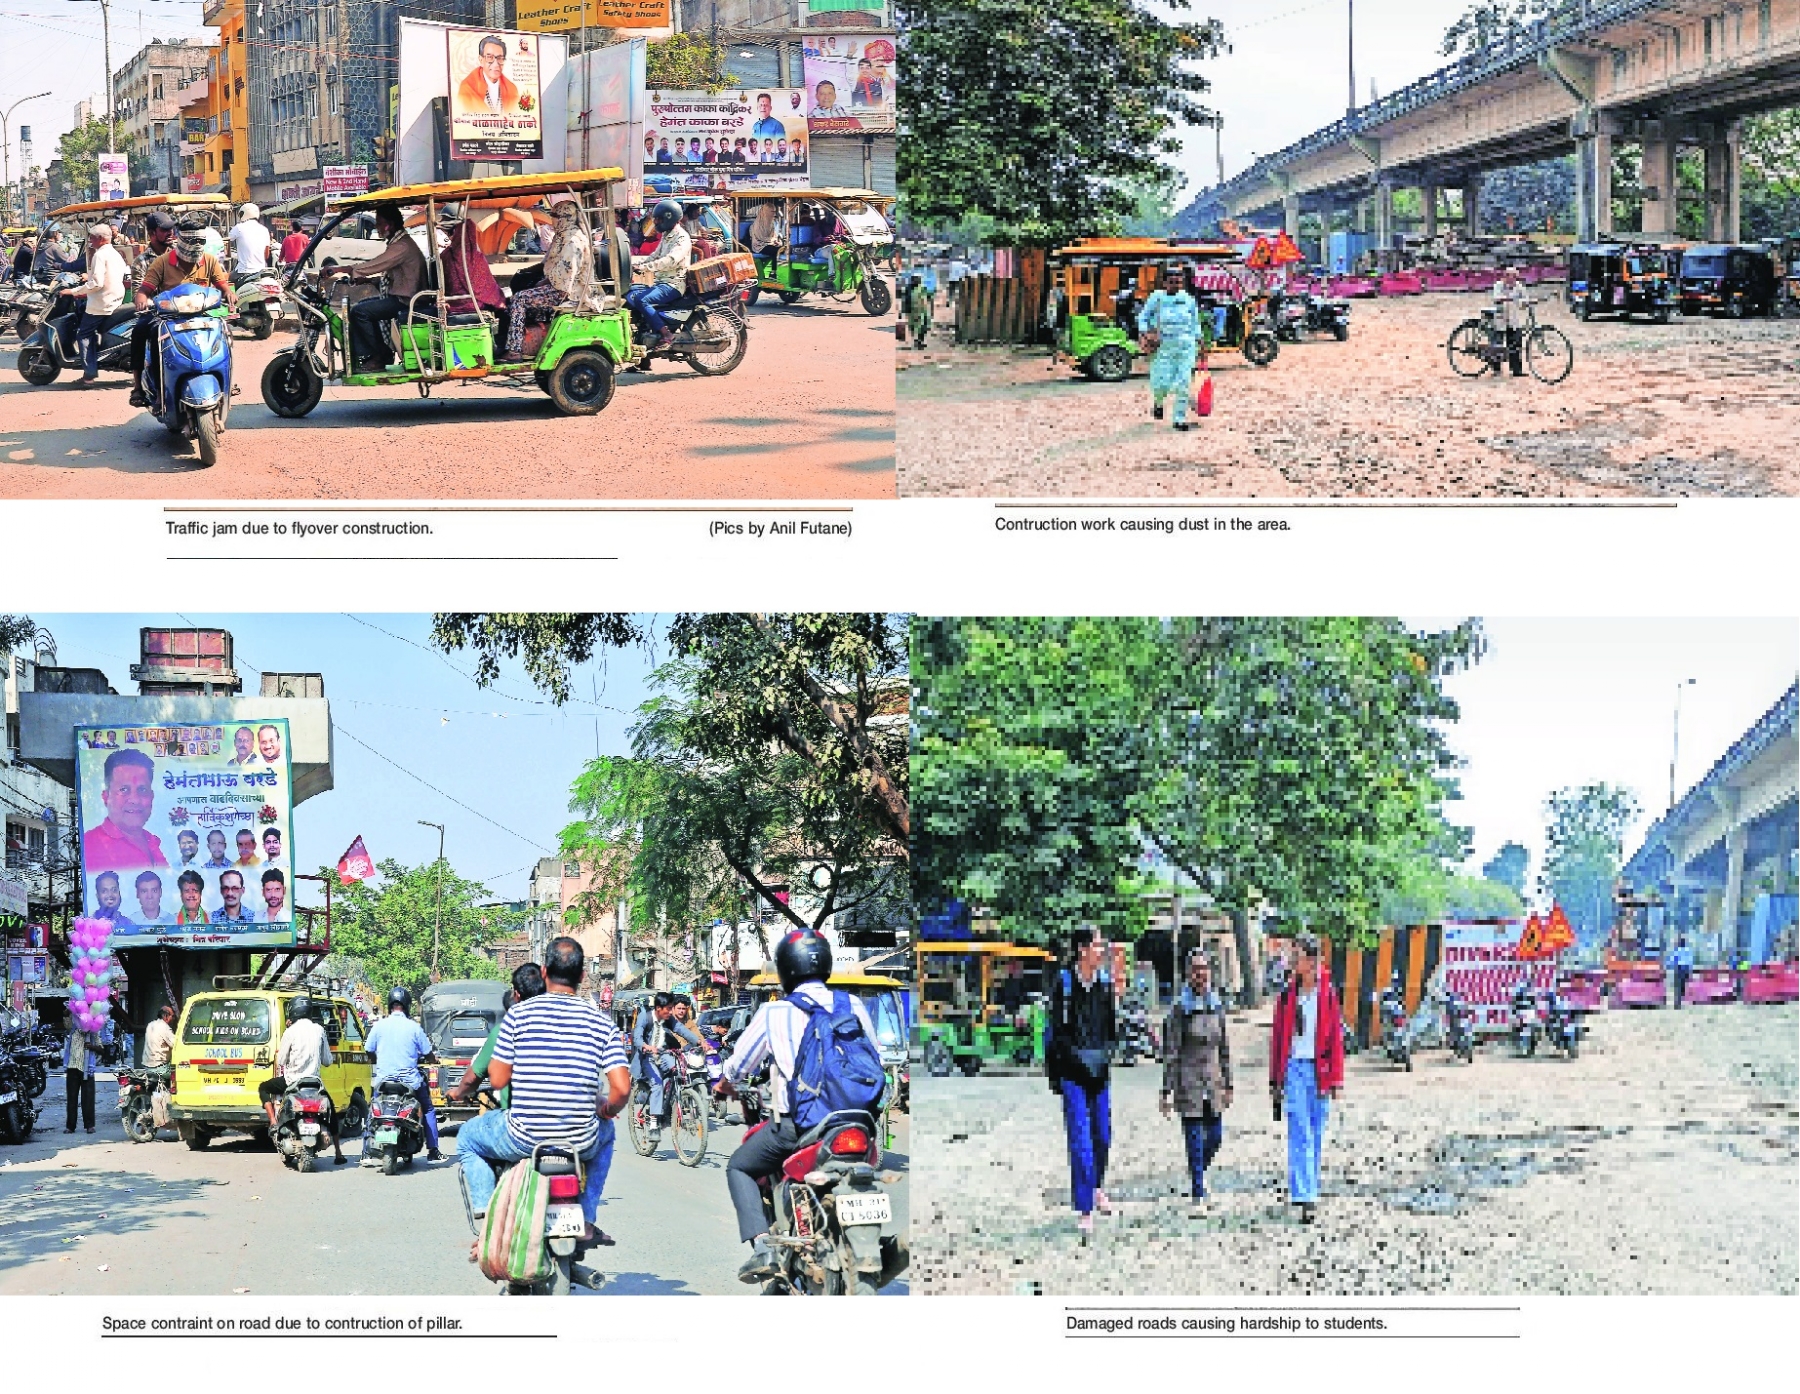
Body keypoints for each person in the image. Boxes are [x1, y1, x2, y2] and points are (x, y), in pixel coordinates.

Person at [720, 926, 877, 1282]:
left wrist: (726, 1083)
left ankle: (762, 1247)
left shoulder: (776, 1013)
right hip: (857, 1123)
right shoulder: (852, 1004)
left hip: (801, 1126)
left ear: (786, 970)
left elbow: (739, 1066)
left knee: (739, 1167)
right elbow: (876, 1059)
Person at [456, 937, 630, 1248]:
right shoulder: (602, 1023)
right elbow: (621, 1089)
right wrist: (604, 1111)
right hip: (581, 1141)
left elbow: (497, 1080)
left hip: (522, 1136)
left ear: (545, 971)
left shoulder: (518, 1016)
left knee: (467, 1137)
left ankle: (486, 1214)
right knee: (608, 1132)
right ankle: (587, 1218)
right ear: (581, 977)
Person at [1045, 926, 1117, 1237]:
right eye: (1097, 946)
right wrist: (1074, 1067)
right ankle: (1085, 1207)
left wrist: (1104, 1058)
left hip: (1099, 1071)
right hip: (1073, 1073)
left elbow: (1112, 1030)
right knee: (1081, 1143)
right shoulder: (1064, 983)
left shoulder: (1104, 984)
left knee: (1103, 1136)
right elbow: (1058, 1036)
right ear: (1082, 950)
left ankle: (1096, 1186)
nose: (1102, 951)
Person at [1268, 933, 1345, 1224]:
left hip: (1321, 1071)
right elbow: (1278, 1040)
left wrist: (1337, 1078)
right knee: (1299, 1131)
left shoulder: (1327, 994)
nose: (1291, 961)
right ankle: (1305, 1196)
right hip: (1294, 1069)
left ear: (1311, 960)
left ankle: (1309, 1187)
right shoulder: (1287, 996)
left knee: (1315, 1132)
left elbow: (1336, 1038)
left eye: (1296, 956)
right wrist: (1275, 1080)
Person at [130, 218, 234, 408]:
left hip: (202, 315)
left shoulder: (209, 260)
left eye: (200, 242)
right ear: (182, 240)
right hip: (169, 317)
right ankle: (152, 389)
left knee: (225, 333)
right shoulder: (161, 262)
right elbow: (143, 290)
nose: (196, 246)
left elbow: (222, 285)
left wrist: (229, 294)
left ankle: (226, 382)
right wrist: (142, 299)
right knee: (147, 333)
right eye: (192, 241)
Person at [1160, 950, 1233, 1213]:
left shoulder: (1217, 1005)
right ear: (1188, 974)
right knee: (1193, 1137)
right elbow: (1171, 1052)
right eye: (1195, 969)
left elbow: (1224, 1047)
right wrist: (1166, 1090)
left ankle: (1198, 1172)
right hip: (1188, 1082)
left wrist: (1228, 1083)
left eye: (1204, 969)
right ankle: (1198, 1192)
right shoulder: (1180, 1009)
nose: (1200, 974)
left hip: (1212, 1082)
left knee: (1215, 1137)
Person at [321, 206, 427, 372]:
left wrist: (340, 269)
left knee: (360, 312)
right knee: (361, 306)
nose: (377, 227)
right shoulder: (399, 242)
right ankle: (378, 353)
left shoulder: (401, 246)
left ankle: (379, 356)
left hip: (406, 301)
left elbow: (376, 264)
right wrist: (368, 281)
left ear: (389, 225)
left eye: (379, 223)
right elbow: (395, 278)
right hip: (403, 297)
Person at [260, 997, 345, 1164]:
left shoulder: (290, 1031)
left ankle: (273, 1122)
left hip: (292, 1081)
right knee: (331, 1112)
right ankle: (339, 1153)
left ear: (292, 1011)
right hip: (314, 1083)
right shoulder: (319, 1030)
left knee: (263, 1088)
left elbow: (282, 1060)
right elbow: (327, 1061)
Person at [449, 962, 547, 1109]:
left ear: (517, 996)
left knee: (466, 1131)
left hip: (519, 1122)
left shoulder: (505, 1031)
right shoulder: (567, 1023)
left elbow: (471, 1079)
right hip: (568, 1122)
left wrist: (457, 1093)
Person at [364, 986, 441, 1162]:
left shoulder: (379, 1026)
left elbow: (368, 1050)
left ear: (389, 1004)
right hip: (409, 1083)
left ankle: (366, 1153)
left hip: (383, 1082)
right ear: (406, 1005)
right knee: (428, 1108)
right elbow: (428, 1053)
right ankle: (433, 1150)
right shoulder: (414, 1028)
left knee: (373, 1110)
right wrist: (432, 1060)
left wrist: (376, 1060)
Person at [504, 199, 585, 360]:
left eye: (555, 216)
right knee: (520, 292)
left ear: (564, 218)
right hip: (558, 286)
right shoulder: (561, 236)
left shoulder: (573, 241)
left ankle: (515, 350)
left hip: (567, 292)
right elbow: (547, 263)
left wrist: (543, 282)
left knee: (520, 299)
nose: (552, 219)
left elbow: (565, 276)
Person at [1138, 263, 1204, 431]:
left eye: (1179, 282)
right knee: (1161, 383)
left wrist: (1200, 340)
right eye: (1172, 282)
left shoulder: (1188, 300)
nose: (1176, 285)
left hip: (1186, 346)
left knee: (1184, 382)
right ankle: (1158, 403)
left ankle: (1179, 419)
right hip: (1163, 347)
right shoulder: (1157, 298)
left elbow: (1195, 322)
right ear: (1165, 283)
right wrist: (1146, 335)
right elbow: (1143, 318)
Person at [632, 991, 703, 1144]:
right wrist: (645, 1046)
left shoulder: (668, 1019)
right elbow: (637, 1037)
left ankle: (671, 1105)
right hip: (647, 1056)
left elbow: (681, 1030)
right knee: (657, 1084)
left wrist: (699, 1042)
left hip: (663, 1054)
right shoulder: (645, 1016)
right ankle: (653, 1125)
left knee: (678, 1070)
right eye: (668, 1008)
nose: (671, 1012)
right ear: (658, 1008)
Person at [82, 747, 166, 870]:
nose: (135, 800)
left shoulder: (153, 841)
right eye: (124, 790)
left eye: (142, 790)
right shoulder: (91, 845)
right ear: (106, 797)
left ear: (151, 796)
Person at [627, 199, 691, 350]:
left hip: (673, 284)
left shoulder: (682, 238)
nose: (655, 222)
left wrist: (646, 268)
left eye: (658, 219)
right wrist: (636, 264)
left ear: (670, 217)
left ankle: (666, 334)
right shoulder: (667, 235)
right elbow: (655, 255)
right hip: (660, 282)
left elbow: (670, 260)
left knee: (642, 300)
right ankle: (643, 348)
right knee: (629, 294)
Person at [72, 223, 128, 386]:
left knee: (83, 334)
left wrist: (74, 292)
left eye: (91, 237)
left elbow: (97, 283)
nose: (89, 241)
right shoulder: (114, 253)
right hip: (115, 298)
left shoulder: (99, 255)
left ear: (99, 239)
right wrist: (86, 276)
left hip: (102, 303)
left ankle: (89, 375)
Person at [458, 34, 520, 113]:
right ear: (481, 60)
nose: (496, 64)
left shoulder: (511, 89)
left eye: (500, 58)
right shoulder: (467, 87)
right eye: (490, 57)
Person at [63, 1010, 102, 1134]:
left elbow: (102, 1049)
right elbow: (66, 1022)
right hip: (72, 1067)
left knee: (88, 1099)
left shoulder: (93, 1032)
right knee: (72, 1098)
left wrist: (92, 1046)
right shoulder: (73, 1029)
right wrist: (67, 1012)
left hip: (87, 1069)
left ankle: (89, 1125)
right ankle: (70, 1126)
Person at [1492, 265, 1529, 377]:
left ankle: (1516, 370)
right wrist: (1508, 298)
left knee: (1516, 344)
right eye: (1509, 276)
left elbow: (1525, 299)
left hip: (1513, 318)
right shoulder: (1498, 285)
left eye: (1514, 277)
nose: (1512, 279)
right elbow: (1496, 298)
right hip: (1500, 318)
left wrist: (1525, 302)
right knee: (1497, 345)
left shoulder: (1519, 286)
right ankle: (1496, 369)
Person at [227, 203, 271, 278]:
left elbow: (226, 240)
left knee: (223, 281)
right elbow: (266, 255)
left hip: (243, 271)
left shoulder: (239, 228)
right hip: (261, 270)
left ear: (244, 213)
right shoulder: (264, 229)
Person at [142, 1004, 178, 1087]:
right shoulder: (165, 1028)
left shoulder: (150, 1025)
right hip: (159, 1067)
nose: (172, 1019)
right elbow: (176, 1045)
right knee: (182, 1072)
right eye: (172, 1016)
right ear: (166, 1016)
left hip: (147, 1066)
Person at [903, 272, 934, 350]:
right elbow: (905, 300)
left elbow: (930, 298)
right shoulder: (908, 288)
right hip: (912, 311)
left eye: (919, 279)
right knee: (914, 327)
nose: (917, 280)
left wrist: (931, 310)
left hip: (923, 310)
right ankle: (917, 341)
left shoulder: (923, 288)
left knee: (924, 326)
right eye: (916, 279)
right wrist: (904, 311)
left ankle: (920, 341)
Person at [1668, 935, 1695, 1008]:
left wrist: (1669, 967)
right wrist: (1690, 971)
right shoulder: (1688, 950)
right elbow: (1691, 961)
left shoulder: (1676, 950)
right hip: (1686, 969)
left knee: (1678, 987)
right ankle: (1685, 1001)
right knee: (1685, 987)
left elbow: (1671, 961)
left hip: (1679, 969)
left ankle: (1677, 1003)